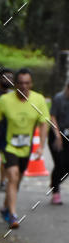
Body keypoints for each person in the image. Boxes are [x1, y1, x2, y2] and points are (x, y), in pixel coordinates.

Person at [0, 67, 50, 228]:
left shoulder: (39, 100)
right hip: (8, 146)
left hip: (25, 147)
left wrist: (41, 146)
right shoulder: (5, 101)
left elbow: (44, 124)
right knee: (13, 177)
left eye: (27, 83)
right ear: (15, 84)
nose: (24, 86)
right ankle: (13, 215)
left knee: (16, 181)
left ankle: (4, 207)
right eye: (20, 83)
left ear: (31, 84)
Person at [48, 77, 69, 205]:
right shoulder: (59, 98)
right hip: (56, 134)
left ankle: (54, 183)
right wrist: (57, 136)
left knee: (67, 166)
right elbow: (53, 117)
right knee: (60, 163)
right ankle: (56, 192)